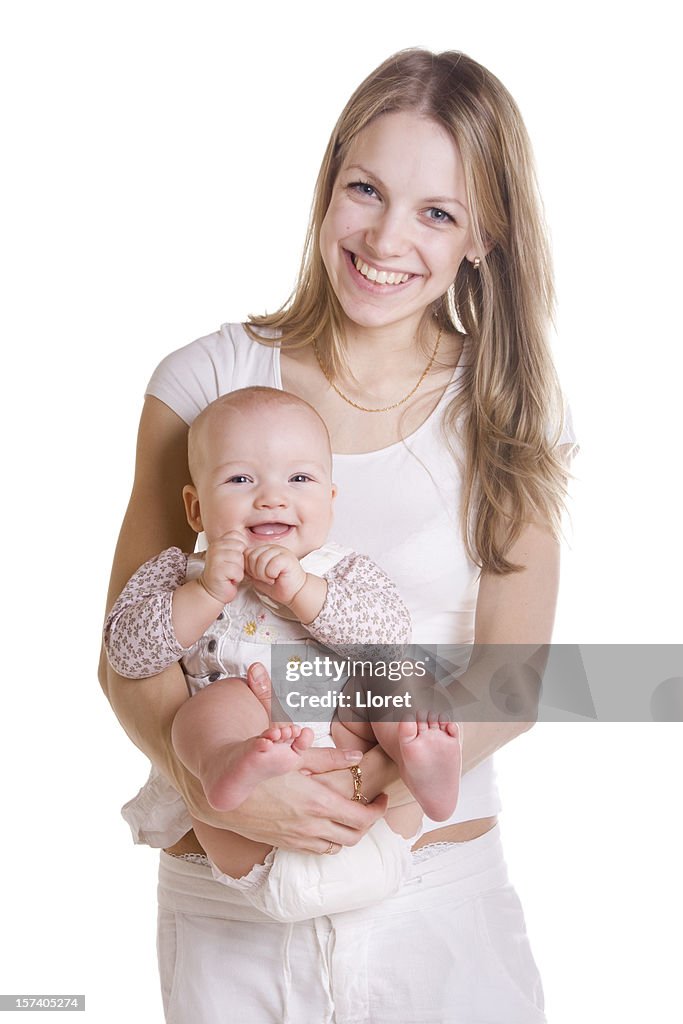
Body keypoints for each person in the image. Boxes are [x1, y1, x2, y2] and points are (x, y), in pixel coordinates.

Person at [101, 47, 576, 1023]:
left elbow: (515, 678)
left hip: (433, 897)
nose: (385, 237)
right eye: (365, 189)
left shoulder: (504, 412)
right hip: (233, 912)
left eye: (435, 212)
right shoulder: (204, 382)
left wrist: (367, 781)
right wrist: (214, 784)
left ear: (481, 236)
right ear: (328, 185)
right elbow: (130, 650)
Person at [103, 386, 461, 914]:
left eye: (299, 478)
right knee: (208, 710)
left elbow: (386, 634)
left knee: (397, 674)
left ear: (330, 502)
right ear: (196, 507)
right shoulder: (177, 573)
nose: (271, 497)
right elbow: (125, 654)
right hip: (250, 806)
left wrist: (303, 592)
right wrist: (201, 596)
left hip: (355, 761)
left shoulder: (342, 571)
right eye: (240, 479)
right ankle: (228, 763)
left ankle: (422, 757)